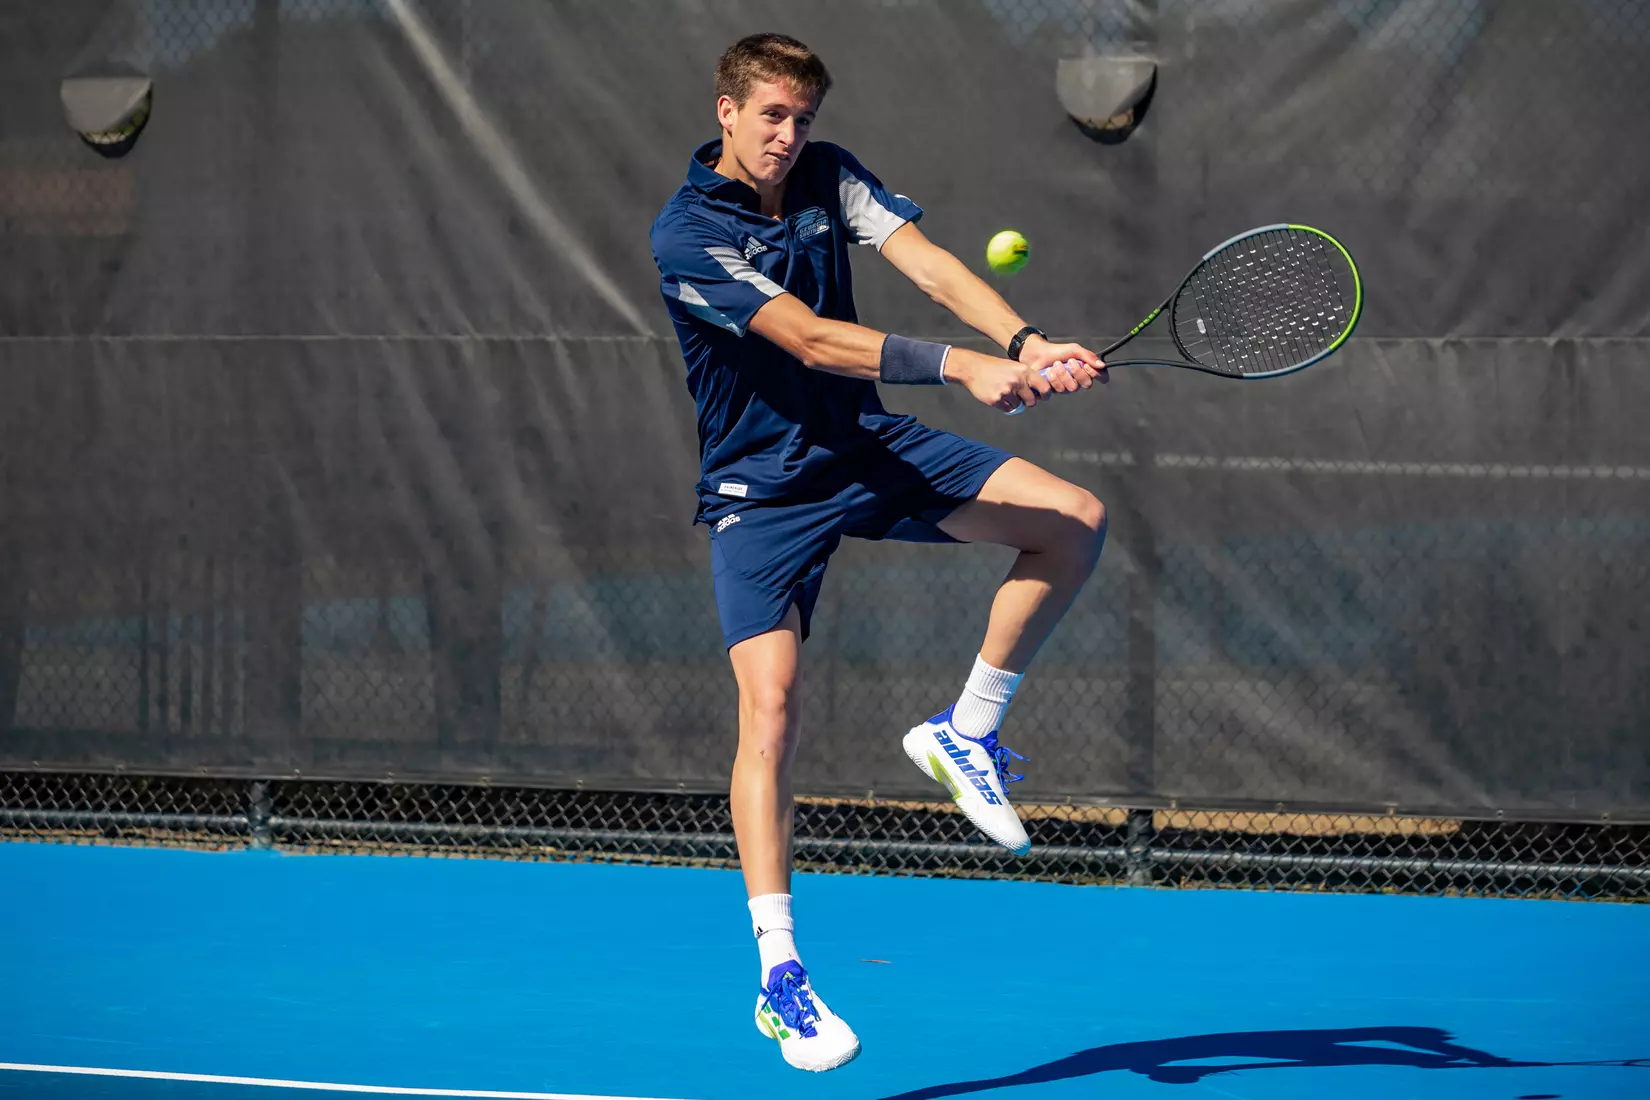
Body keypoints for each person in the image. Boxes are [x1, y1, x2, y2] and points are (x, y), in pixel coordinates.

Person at [649, 32, 1109, 1073]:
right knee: (770, 709)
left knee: (1074, 519)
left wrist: (1026, 342)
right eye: (770, 115)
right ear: (725, 110)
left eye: (800, 118)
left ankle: (966, 730)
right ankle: (779, 971)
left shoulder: (828, 175)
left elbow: (931, 264)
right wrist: (962, 368)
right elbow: (807, 338)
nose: (787, 135)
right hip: (759, 492)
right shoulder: (684, 236)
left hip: (862, 446)